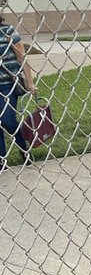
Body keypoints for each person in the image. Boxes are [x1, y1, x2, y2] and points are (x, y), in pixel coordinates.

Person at [0, 15, 37, 171]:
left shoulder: (8, 31)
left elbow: (22, 58)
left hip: (7, 84)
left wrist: (30, 82)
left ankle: (23, 148)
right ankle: (1, 160)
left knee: (7, 120)